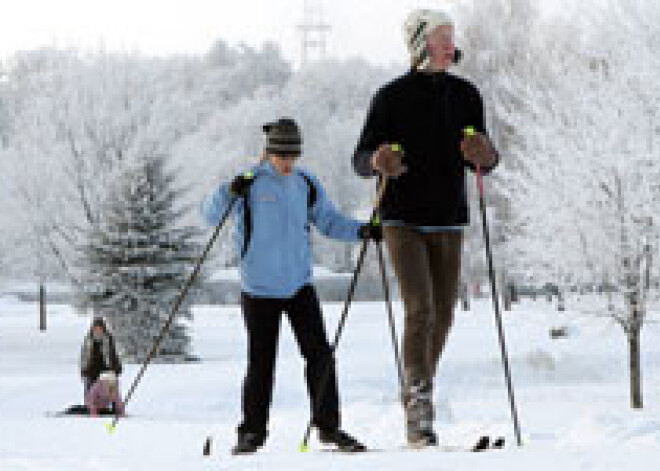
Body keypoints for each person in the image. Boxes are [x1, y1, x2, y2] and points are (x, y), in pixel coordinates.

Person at [352, 9, 499, 447]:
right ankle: (419, 410)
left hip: (449, 217)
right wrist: (379, 161)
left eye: (452, 36)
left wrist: (483, 152)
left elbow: (488, 159)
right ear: (420, 43)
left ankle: (417, 385)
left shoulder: (466, 95)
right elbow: (360, 158)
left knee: (445, 314)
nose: (450, 43)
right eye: (441, 37)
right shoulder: (390, 97)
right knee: (421, 308)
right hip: (402, 217)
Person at [201, 117, 381, 454]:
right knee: (261, 362)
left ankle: (328, 427)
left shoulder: (305, 183)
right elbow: (210, 214)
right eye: (282, 156)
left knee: (320, 356)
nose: (287, 162)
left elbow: (328, 220)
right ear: (269, 153)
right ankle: (251, 433)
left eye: (293, 156)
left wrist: (361, 231)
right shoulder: (249, 183)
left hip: (299, 284)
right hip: (259, 289)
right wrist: (228, 191)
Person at [80, 317, 122, 392]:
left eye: (100, 329)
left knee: (110, 394)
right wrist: (83, 370)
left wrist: (117, 367)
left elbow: (113, 354)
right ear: (92, 329)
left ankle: (115, 403)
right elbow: (84, 357)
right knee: (90, 395)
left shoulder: (108, 340)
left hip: (106, 372)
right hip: (91, 372)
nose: (98, 331)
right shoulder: (88, 341)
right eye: (96, 329)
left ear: (103, 329)